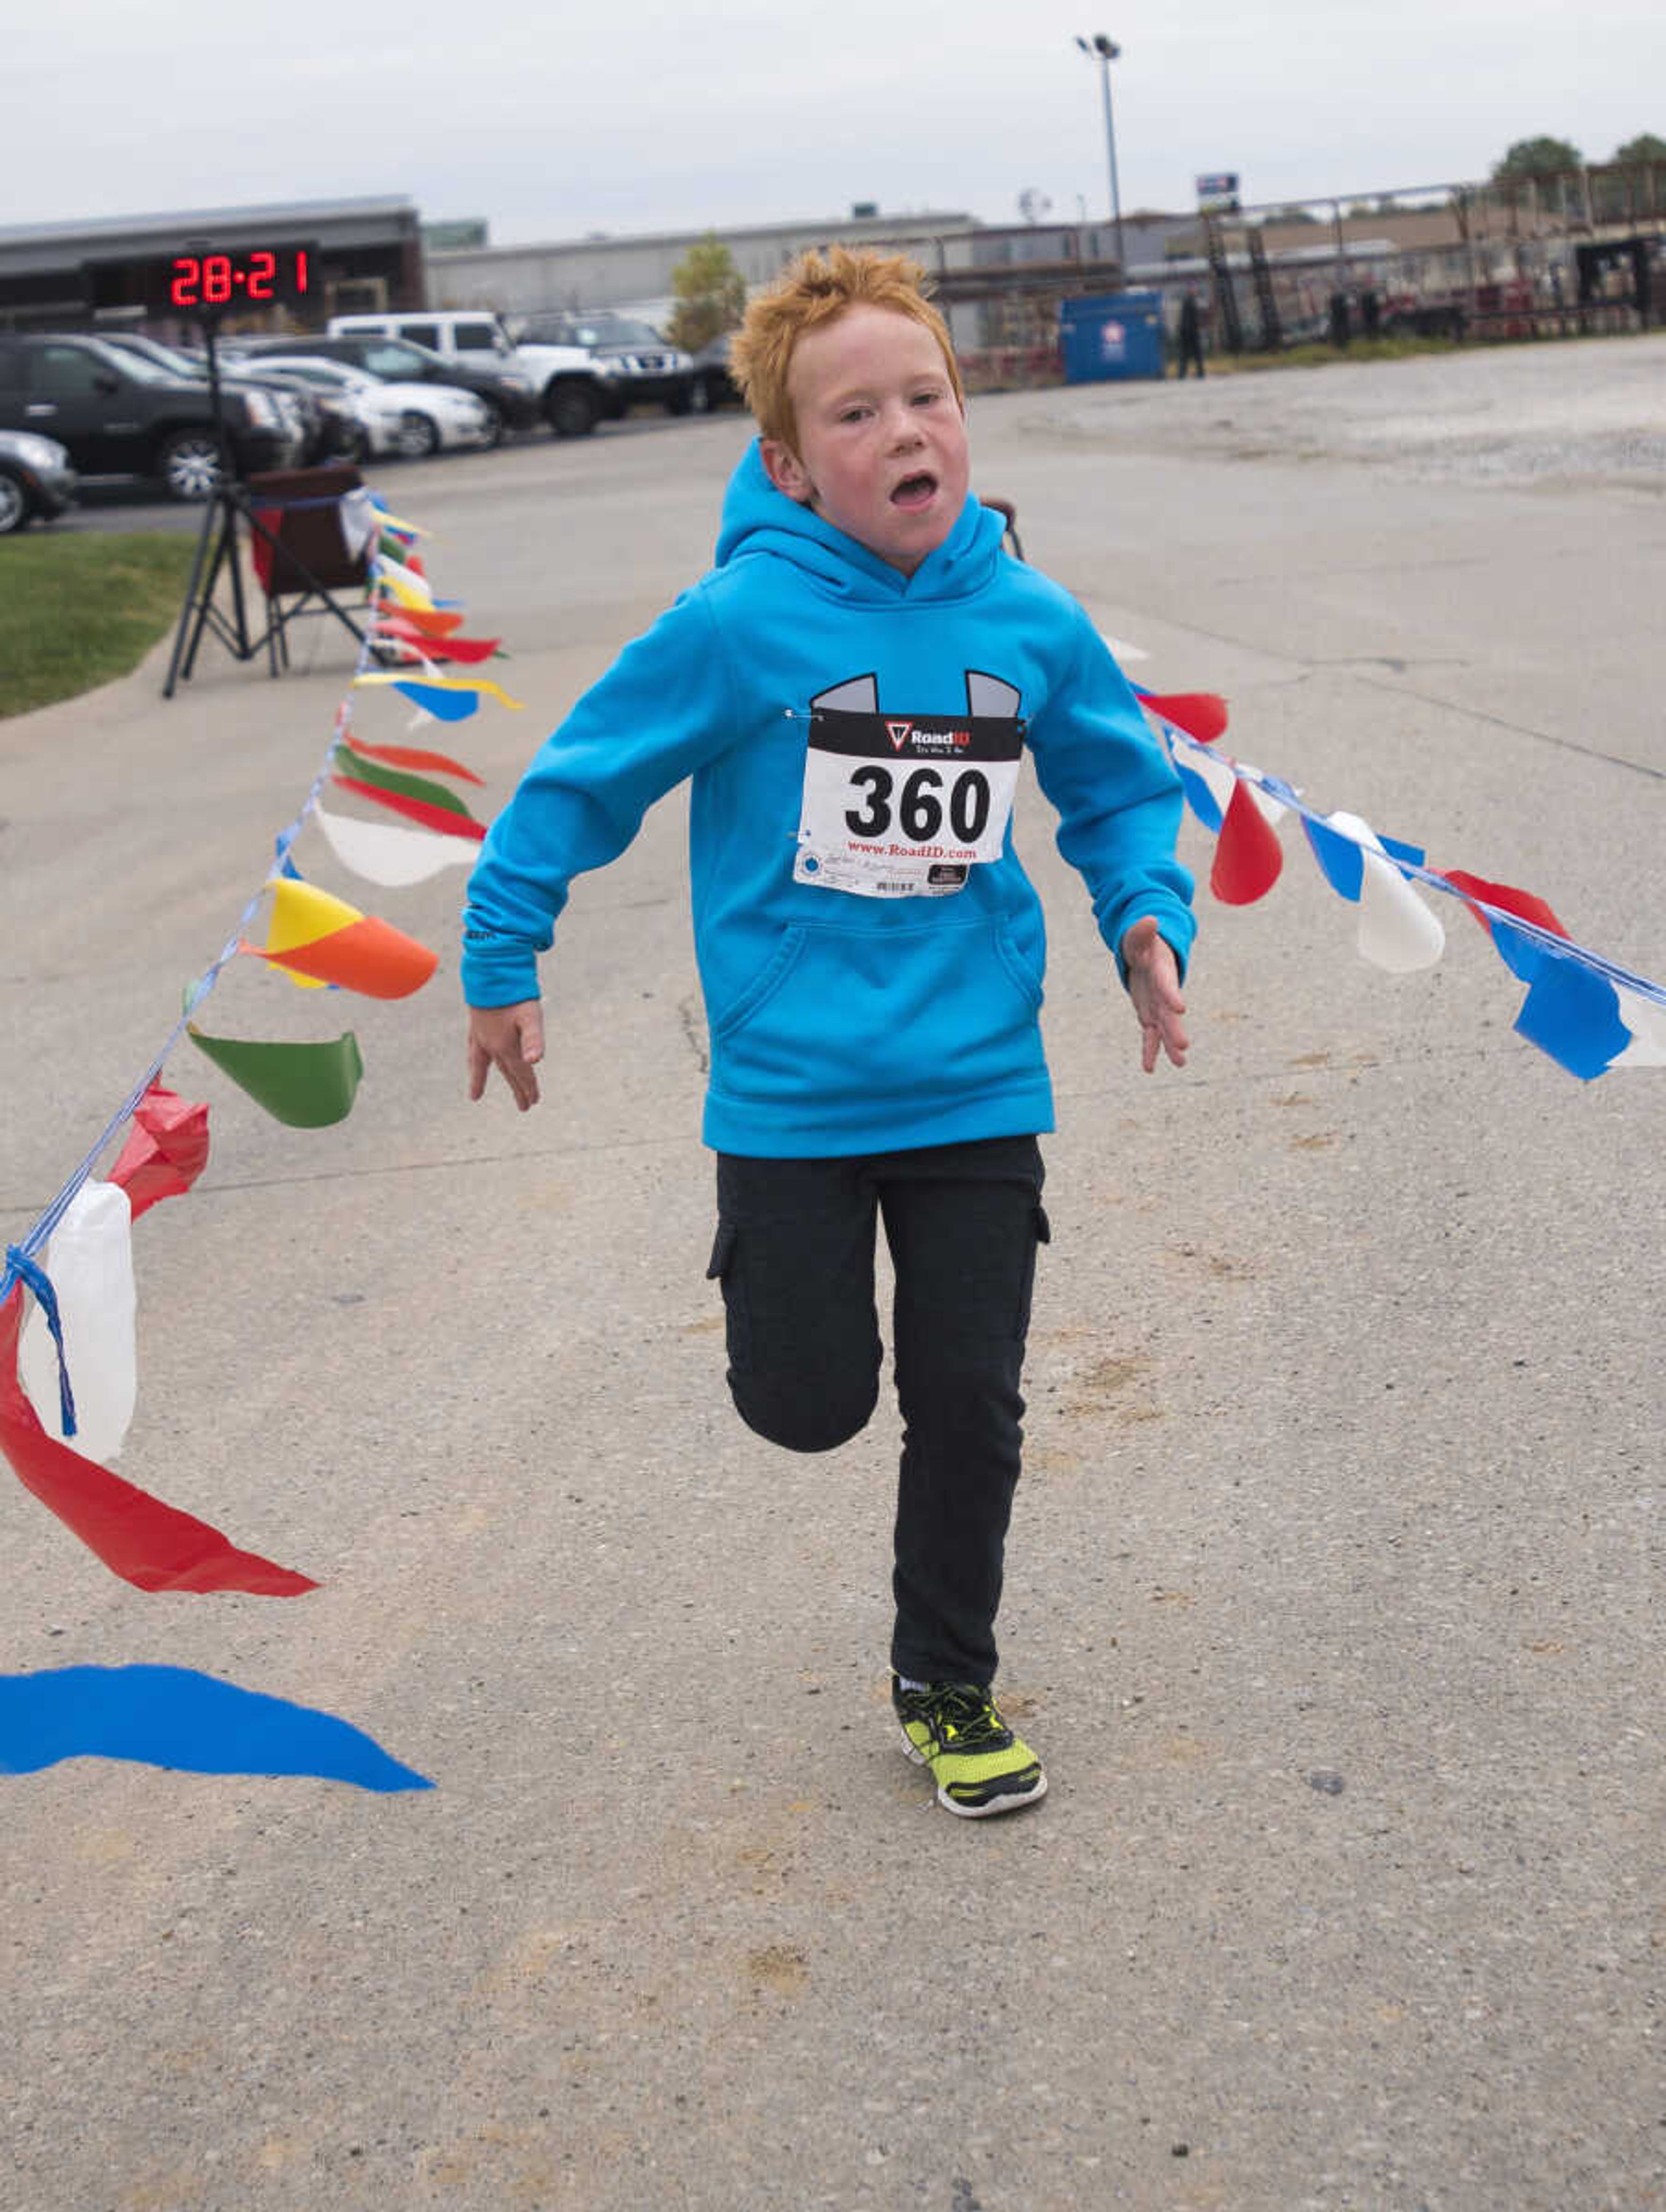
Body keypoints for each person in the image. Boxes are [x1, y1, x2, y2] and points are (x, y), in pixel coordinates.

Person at [462, 247, 1194, 1819]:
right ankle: (775, 1309)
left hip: (977, 1076)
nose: (904, 429)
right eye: (855, 412)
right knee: (811, 1404)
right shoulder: (739, 624)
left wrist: (1144, 918)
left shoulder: (1030, 616)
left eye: (925, 395)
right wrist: (501, 947)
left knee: (973, 1402)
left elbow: (1121, 783)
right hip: (794, 1091)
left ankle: (947, 1677)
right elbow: (578, 780)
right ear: (789, 464)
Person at [1177, 285, 1206, 378]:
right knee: (1195, 353)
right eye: (1193, 290)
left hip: (1187, 331)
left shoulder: (1188, 301)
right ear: (1190, 291)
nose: (1195, 291)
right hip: (1191, 332)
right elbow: (1192, 318)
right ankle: (1199, 372)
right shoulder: (1191, 301)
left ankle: (1183, 373)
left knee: (1186, 354)